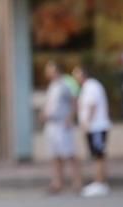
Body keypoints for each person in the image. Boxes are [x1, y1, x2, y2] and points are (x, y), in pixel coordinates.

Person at [41, 61, 82, 194]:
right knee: (55, 155)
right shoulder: (52, 85)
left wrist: (71, 118)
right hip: (51, 124)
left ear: (57, 70)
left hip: (63, 124)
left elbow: (75, 101)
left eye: (50, 70)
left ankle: (77, 182)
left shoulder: (67, 83)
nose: (47, 73)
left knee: (69, 154)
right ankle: (57, 182)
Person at [73, 65, 112, 197]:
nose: (75, 78)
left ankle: (99, 182)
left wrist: (86, 123)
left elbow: (92, 105)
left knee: (98, 155)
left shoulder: (91, 86)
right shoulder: (87, 87)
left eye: (76, 74)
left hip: (96, 127)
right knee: (97, 154)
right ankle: (100, 181)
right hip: (94, 127)